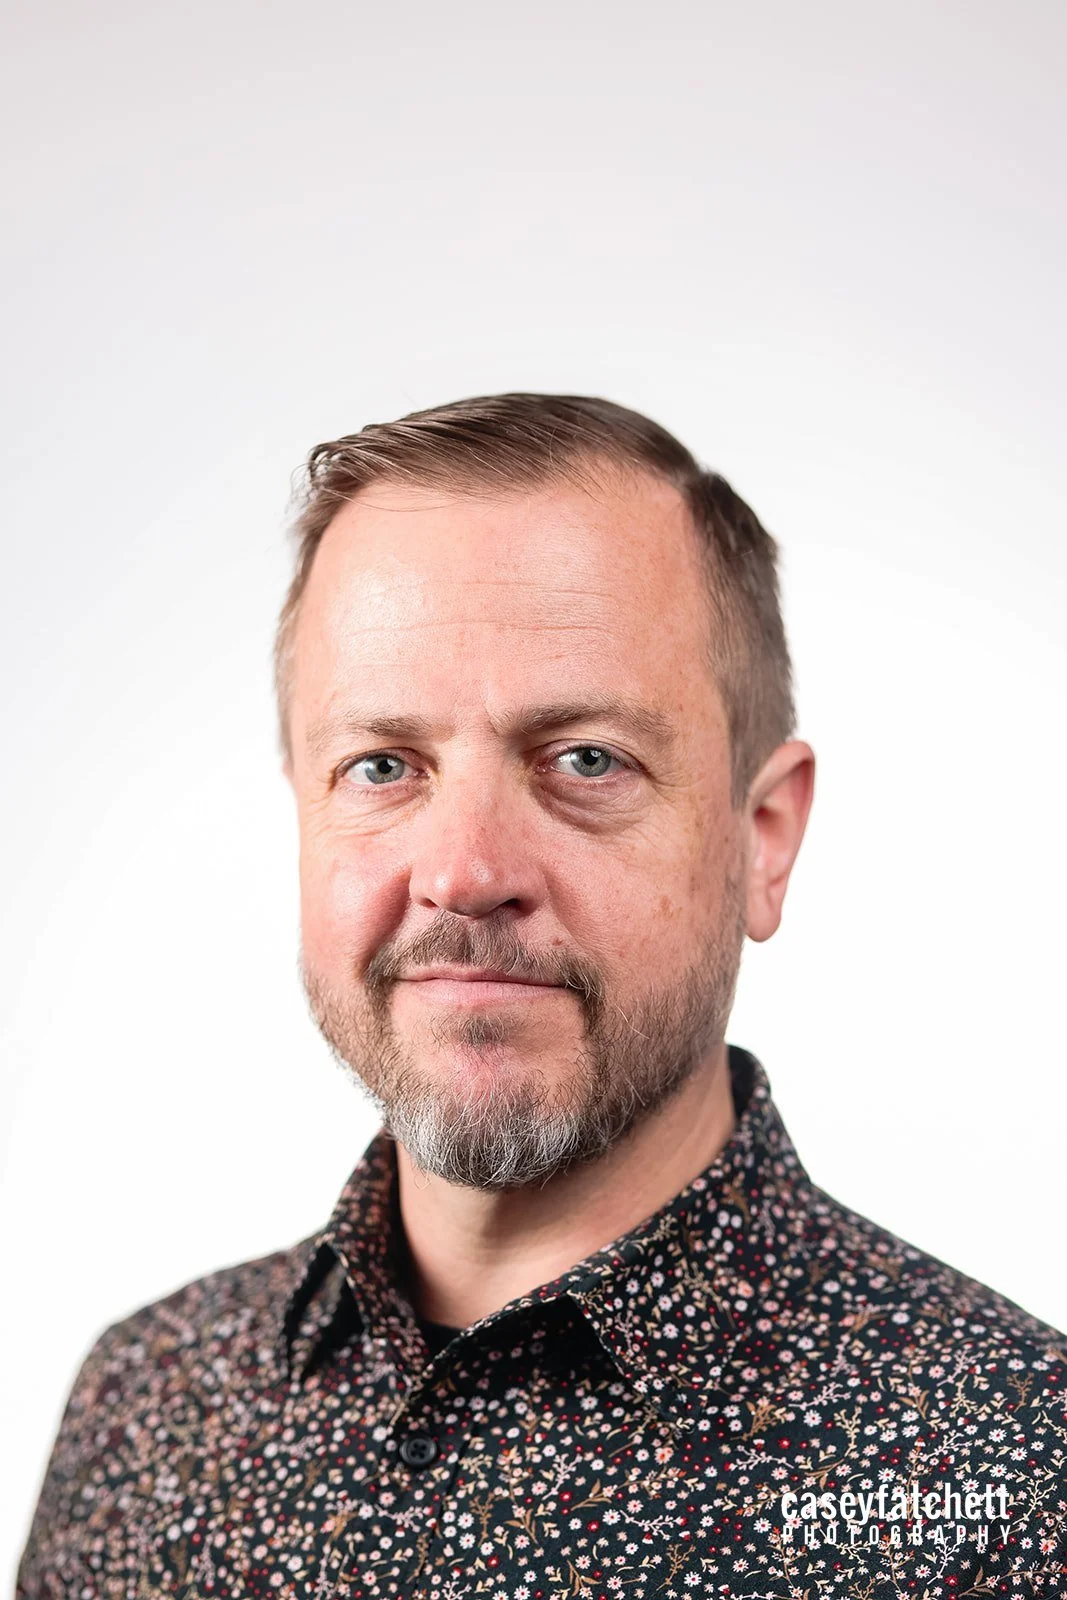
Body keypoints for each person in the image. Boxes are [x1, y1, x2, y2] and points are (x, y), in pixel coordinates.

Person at [17, 394, 1067, 1599]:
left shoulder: (1016, 1483)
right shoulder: (146, 1416)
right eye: (380, 766)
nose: (464, 870)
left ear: (761, 837)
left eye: (584, 760)